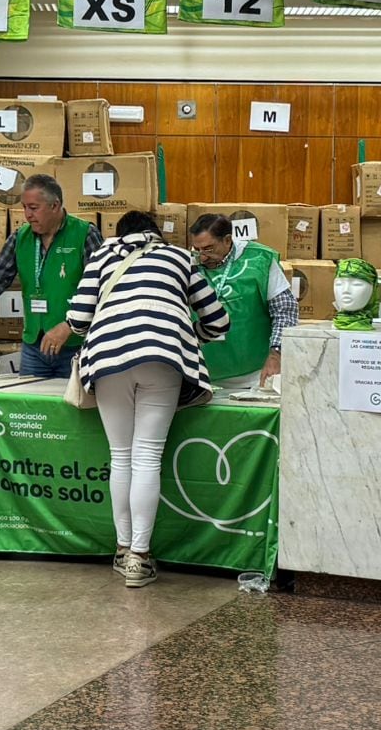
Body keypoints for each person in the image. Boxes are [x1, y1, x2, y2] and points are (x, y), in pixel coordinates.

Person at [65, 211, 230, 588]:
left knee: (120, 456)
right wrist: (187, 332)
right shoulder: (179, 257)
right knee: (147, 457)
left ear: (119, 234)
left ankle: (123, 549)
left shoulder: (103, 254)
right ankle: (140, 557)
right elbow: (218, 321)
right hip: (163, 359)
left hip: (107, 360)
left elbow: (77, 318)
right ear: (156, 233)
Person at [0, 173, 100, 379]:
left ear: (55, 205)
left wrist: (70, 326)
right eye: (24, 207)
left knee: (72, 409)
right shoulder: (20, 237)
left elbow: (99, 288)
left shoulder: (85, 234)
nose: (27, 214)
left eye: (33, 208)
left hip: (75, 347)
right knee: (29, 408)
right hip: (34, 346)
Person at [187, 213, 297, 391]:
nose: (203, 257)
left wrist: (276, 354)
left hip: (254, 375)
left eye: (209, 249)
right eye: (197, 249)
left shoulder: (259, 260)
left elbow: (285, 311)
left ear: (227, 240)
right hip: (202, 374)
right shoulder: (189, 263)